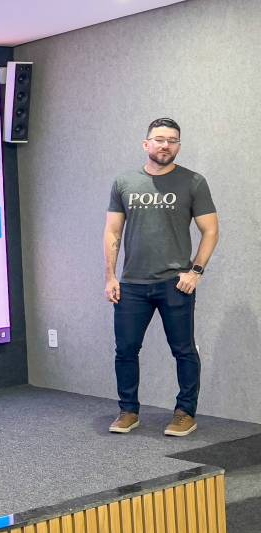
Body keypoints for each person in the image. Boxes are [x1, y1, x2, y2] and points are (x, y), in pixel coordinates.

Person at [103, 118, 219, 437]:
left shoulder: (193, 182)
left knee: (183, 350)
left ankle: (185, 413)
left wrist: (196, 272)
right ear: (146, 144)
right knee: (125, 350)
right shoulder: (124, 182)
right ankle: (128, 411)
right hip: (132, 284)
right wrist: (111, 276)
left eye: (172, 140)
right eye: (159, 139)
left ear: (178, 146)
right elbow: (113, 232)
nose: (165, 145)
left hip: (175, 284)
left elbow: (211, 230)